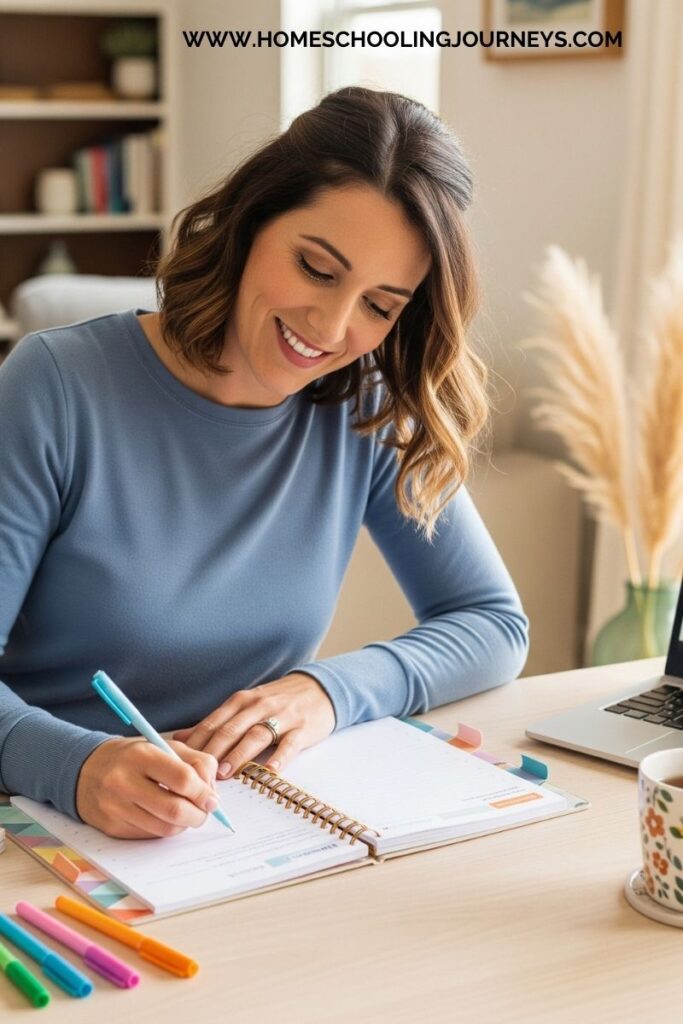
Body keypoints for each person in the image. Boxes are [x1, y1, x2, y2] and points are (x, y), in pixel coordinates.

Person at [0, 86, 529, 840]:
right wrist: (77, 768)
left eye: (380, 305)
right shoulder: (55, 385)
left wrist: (326, 690)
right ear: (252, 222)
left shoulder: (365, 405)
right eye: (316, 268)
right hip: (42, 821)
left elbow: (490, 624)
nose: (332, 326)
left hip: (242, 828)